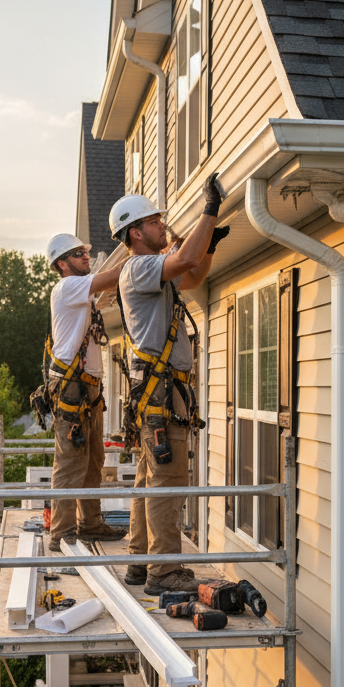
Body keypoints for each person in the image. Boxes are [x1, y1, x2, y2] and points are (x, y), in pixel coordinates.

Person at [109, 177, 230, 593]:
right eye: (154, 221)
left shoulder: (149, 274)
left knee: (150, 477)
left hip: (157, 391)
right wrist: (209, 210)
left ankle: (141, 560)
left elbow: (193, 276)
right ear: (135, 233)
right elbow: (186, 258)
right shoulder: (140, 267)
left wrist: (208, 244)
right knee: (168, 478)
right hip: (162, 391)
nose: (163, 225)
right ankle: (163, 572)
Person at [45, 233, 126, 552]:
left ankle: (89, 523)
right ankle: (61, 534)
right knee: (70, 463)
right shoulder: (68, 287)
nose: (85, 256)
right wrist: (140, 253)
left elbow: (105, 288)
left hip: (86, 387)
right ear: (61, 264)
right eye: (78, 254)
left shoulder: (82, 293)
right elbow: (113, 276)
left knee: (93, 459)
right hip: (71, 387)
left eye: (85, 252)